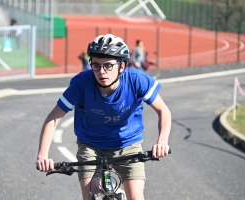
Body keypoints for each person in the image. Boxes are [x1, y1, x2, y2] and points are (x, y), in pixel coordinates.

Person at [36, 34, 171, 200]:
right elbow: (53, 118)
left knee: (136, 197)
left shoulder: (136, 80)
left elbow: (163, 111)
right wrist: (43, 156)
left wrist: (162, 142)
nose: (101, 71)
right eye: (96, 65)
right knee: (91, 196)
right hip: (91, 146)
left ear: (121, 66)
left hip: (127, 144)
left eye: (108, 65)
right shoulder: (81, 84)